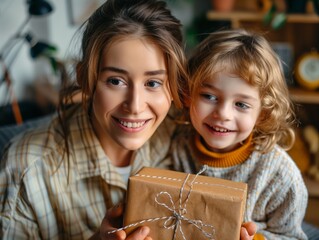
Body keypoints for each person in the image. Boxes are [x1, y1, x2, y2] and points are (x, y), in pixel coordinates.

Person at [0, 0, 188, 239]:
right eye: (115, 81)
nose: (135, 106)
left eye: (153, 83)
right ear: (85, 79)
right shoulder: (26, 169)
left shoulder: (182, 135)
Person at [170, 29, 308, 239]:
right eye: (209, 96)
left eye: (241, 104)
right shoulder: (175, 146)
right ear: (189, 94)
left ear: (262, 114)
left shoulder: (281, 176)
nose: (223, 114)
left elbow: (292, 236)